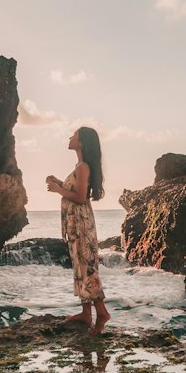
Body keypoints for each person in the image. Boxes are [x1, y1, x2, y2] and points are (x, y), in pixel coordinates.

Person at [46, 126, 111, 334]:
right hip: (77, 226)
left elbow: (81, 197)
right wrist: (59, 183)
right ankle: (86, 313)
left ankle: (101, 313)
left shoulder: (83, 167)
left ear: (81, 142)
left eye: (74, 135)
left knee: (87, 269)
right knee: (80, 269)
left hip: (82, 226)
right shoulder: (79, 166)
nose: (70, 137)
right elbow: (74, 191)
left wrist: (58, 190)